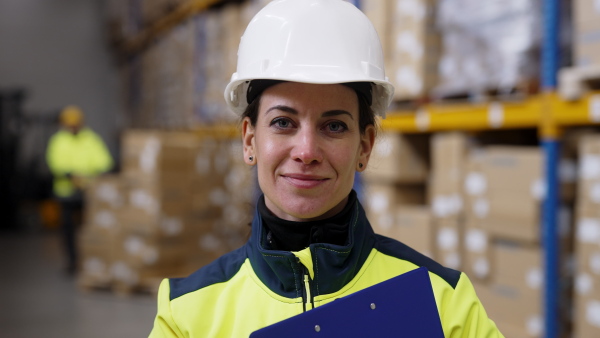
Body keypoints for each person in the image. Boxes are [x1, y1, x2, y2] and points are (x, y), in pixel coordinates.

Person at [149, 0, 503, 337]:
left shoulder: (442, 303)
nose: (306, 151)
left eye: (334, 126)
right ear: (249, 140)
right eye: (283, 122)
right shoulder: (186, 314)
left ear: (364, 146)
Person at [46, 105, 113, 274]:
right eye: (70, 123)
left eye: (75, 123)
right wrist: (69, 175)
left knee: (89, 229)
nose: (73, 126)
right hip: (66, 193)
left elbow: (104, 161)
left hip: (88, 192)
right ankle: (71, 261)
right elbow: (55, 163)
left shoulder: (91, 139)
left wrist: (93, 174)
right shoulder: (58, 141)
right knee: (68, 230)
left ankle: (90, 260)